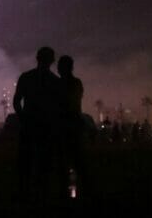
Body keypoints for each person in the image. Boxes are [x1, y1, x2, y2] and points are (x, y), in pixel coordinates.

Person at [13, 46, 61, 200]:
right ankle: (42, 191)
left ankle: (24, 191)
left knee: (26, 160)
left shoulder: (26, 77)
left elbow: (16, 101)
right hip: (46, 125)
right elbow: (58, 106)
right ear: (52, 61)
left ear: (37, 58)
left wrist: (22, 117)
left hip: (30, 124)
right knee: (44, 160)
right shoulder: (54, 81)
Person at [57, 55, 85, 199]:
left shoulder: (58, 84)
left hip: (63, 126)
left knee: (64, 160)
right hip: (73, 125)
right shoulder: (76, 83)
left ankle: (64, 191)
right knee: (76, 159)